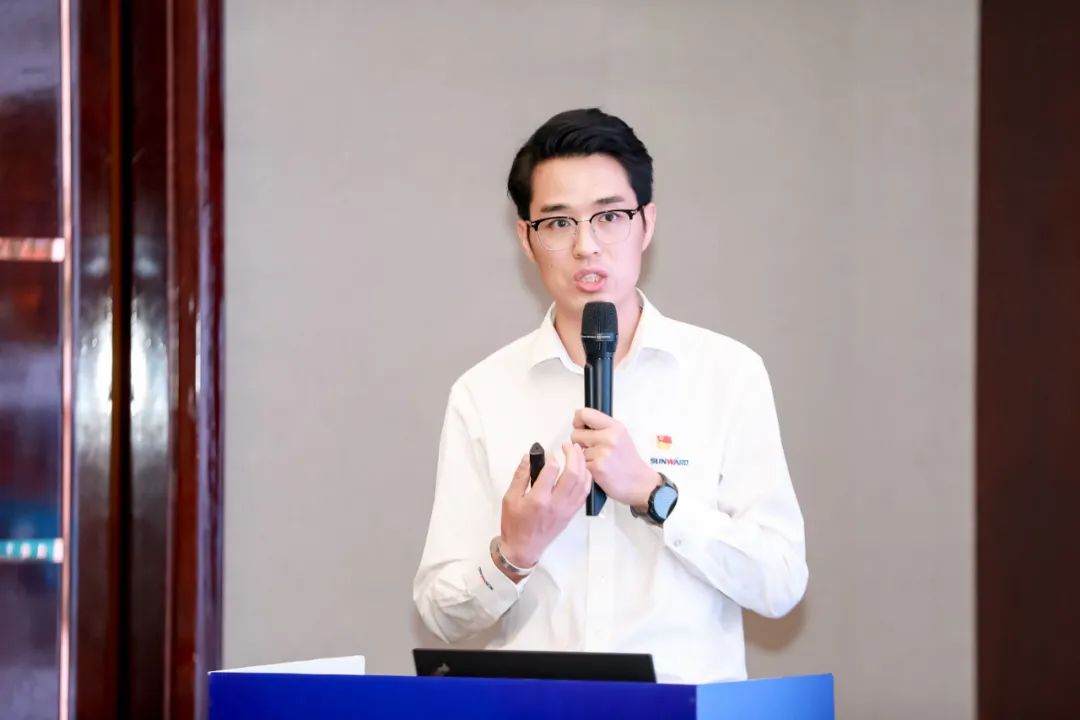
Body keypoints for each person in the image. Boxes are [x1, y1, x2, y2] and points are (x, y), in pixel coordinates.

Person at [412, 108, 807, 683]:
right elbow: (440, 613)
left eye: (610, 217)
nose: (586, 246)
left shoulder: (727, 374)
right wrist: (513, 554)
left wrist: (655, 495)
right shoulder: (484, 392)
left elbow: (780, 582)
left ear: (647, 223)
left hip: (679, 713)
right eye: (558, 222)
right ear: (526, 238)